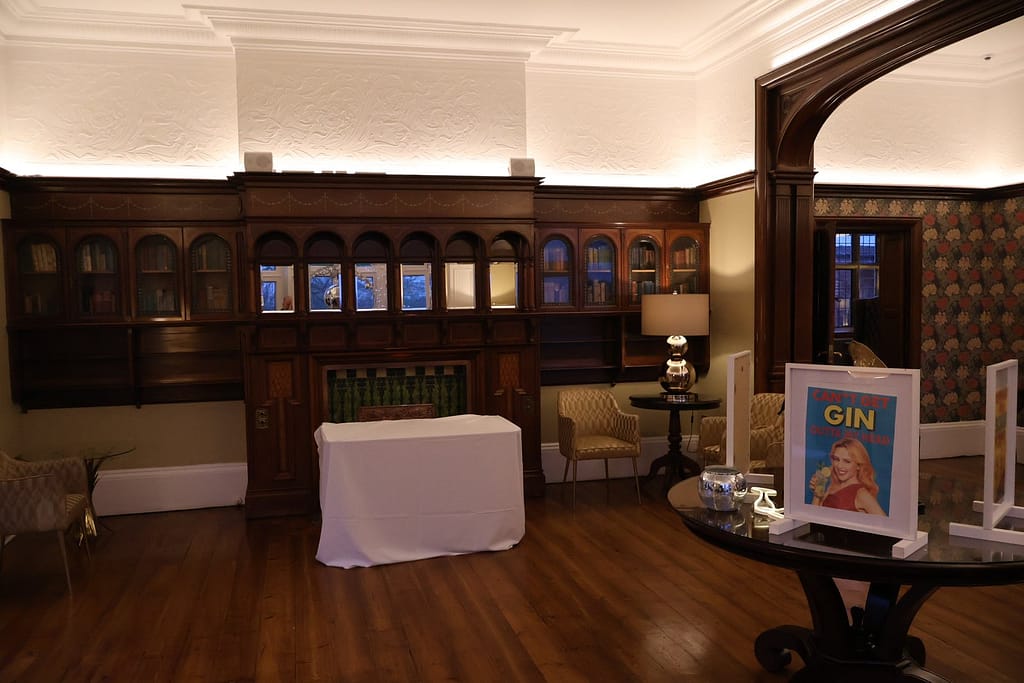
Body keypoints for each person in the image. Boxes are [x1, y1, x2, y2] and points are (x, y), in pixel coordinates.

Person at [808, 437, 886, 515]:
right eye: (836, 459)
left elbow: (884, 523)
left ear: (858, 465)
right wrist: (817, 494)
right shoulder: (833, 487)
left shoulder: (861, 494)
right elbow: (814, 516)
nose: (839, 466)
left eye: (847, 461)